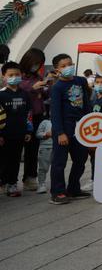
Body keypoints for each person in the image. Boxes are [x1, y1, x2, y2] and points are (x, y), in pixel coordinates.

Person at [48, 54, 90, 204]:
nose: (68, 67)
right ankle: (57, 192)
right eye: (64, 66)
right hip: (64, 127)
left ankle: (73, 188)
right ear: (57, 70)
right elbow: (55, 112)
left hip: (80, 127)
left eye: (70, 64)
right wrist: (60, 133)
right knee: (60, 162)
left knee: (80, 159)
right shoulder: (57, 87)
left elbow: (86, 103)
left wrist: (89, 121)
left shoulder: (80, 81)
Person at [16, 48, 47, 192]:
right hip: (20, 116)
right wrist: (32, 88)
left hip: (36, 115)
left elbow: (43, 95)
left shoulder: (37, 77)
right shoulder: (17, 75)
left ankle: (30, 177)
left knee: (33, 149)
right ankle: (8, 179)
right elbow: (16, 91)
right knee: (14, 149)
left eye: (39, 63)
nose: (37, 66)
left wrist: (47, 87)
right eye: (35, 62)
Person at [1, 62, 33, 197]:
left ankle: (12, 184)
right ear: (4, 76)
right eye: (11, 75)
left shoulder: (25, 95)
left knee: (15, 160)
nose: (14, 77)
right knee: (3, 160)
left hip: (20, 134)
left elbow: (29, 114)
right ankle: (3, 182)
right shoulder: (1, 95)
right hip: (4, 135)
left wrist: (28, 131)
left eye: (17, 74)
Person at [35, 116, 52, 193]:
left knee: (58, 167)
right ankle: (41, 184)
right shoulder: (45, 122)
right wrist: (45, 134)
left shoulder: (63, 121)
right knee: (43, 168)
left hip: (58, 147)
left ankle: (56, 183)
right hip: (46, 147)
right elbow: (38, 134)